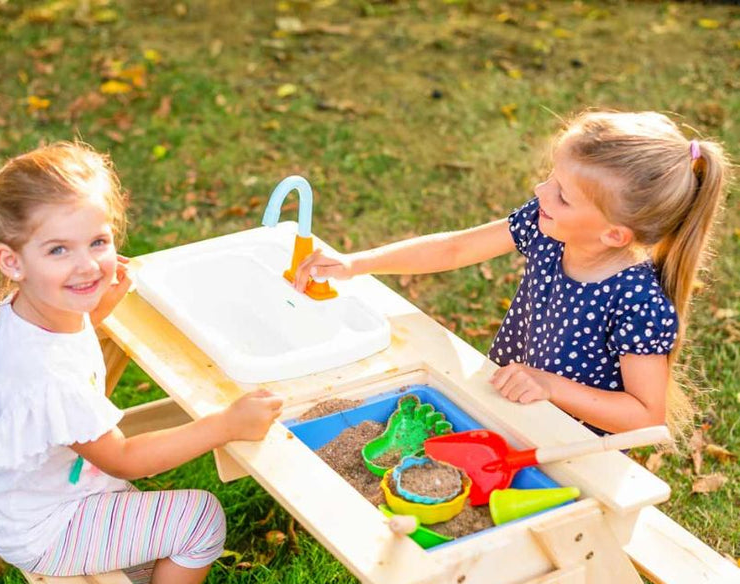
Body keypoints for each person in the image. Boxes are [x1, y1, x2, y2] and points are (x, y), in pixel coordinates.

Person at [0, 142, 282, 584]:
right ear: (12, 260)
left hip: (28, 494)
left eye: (97, 241)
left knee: (138, 524)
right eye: (58, 250)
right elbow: (125, 459)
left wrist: (94, 315)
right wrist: (226, 424)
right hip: (45, 525)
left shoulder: (26, 307)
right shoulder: (52, 376)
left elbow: (62, 362)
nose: (88, 265)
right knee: (199, 519)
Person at [295, 111, 728, 436]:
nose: (541, 192)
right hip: (507, 405)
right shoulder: (548, 227)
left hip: (573, 448)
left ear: (614, 234)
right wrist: (358, 263)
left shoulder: (639, 303)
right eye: (549, 179)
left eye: (562, 194)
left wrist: (550, 387)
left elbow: (645, 415)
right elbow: (455, 247)